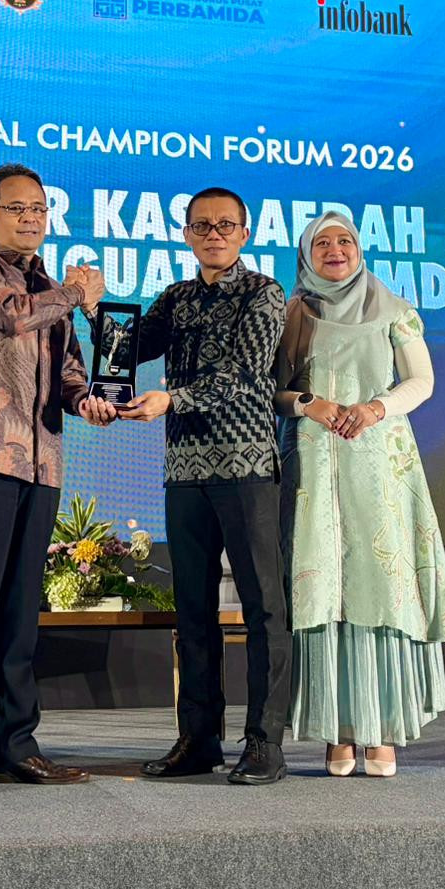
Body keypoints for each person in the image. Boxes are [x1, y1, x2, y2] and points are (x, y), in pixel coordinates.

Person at [0, 163, 117, 796]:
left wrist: (88, 401)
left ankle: (14, 747)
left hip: (40, 463)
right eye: (17, 208)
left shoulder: (49, 289)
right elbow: (10, 317)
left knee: (18, 616)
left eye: (39, 208)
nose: (31, 218)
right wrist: (75, 292)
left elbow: (67, 373)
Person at [113, 186, 292, 785]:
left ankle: (264, 741)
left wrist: (171, 399)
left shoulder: (264, 293)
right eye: (201, 226)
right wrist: (90, 310)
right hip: (185, 473)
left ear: (245, 233)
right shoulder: (177, 297)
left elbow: (242, 374)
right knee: (192, 610)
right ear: (186, 234)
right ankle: (198, 739)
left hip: (246, 470)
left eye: (225, 225)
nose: (213, 235)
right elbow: (128, 347)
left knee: (263, 608)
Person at [275, 211, 445, 778]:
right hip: (311, 462)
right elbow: (271, 390)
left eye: (346, 241)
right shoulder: (293, 311)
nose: (336, 250)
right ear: (306, 255)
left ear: (360, 249)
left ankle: (383, 730)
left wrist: (376, 408)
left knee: (379, 584)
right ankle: (339, 730)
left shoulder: (395, 310)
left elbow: (422, 381)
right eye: (322, 243)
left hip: (379, 462)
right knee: (323, 587)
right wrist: (309, 404)